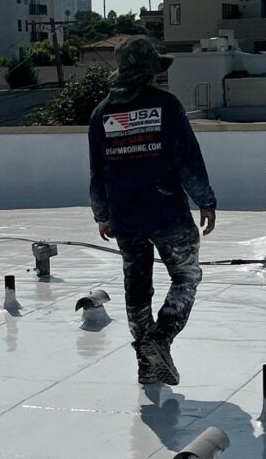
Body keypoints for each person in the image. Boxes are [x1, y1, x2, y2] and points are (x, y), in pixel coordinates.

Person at [88, 36, 217, 386]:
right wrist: (205, 199)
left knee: (137, 286)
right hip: (167, 214)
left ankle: (146, 360)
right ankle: (159, 340)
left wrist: (102, 213)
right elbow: (187, 157)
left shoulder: (102, 113)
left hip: (125, 217)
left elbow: (97, 170)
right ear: (149, 72)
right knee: (187, 276)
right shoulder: (166, 106)